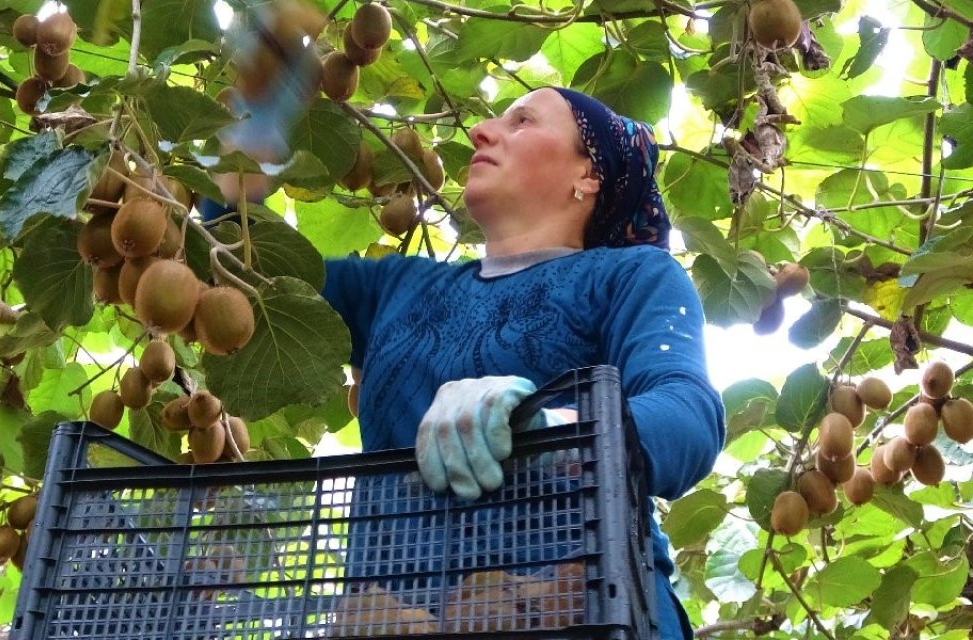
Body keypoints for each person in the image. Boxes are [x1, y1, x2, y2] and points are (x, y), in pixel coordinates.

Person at [202, 69, 724, 635]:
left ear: (588, 174)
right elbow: (240, 272)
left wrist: (553, 427)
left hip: (587, 607)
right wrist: (259, 111)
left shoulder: (631, 275)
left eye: (522, 120)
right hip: (394, 618)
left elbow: (688, 414)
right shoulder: (396, 288)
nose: (480, 131)